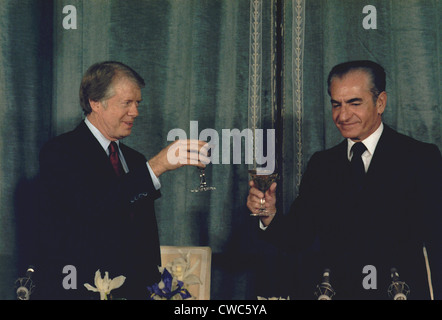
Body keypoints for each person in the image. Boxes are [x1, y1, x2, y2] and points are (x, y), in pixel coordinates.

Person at [247, 60, 442, 299]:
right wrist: (269, 215)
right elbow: (298, 238)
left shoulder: (420, 158)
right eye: (336, 104)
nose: (343, 115)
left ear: (380, 102)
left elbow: (436, 241)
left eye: (354, 103)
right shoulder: (322, 164)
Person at [33, 61, 208, 299]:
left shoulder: (135, 160)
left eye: (137, 103)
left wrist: (153, 288)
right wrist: (156, 166)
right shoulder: (61, 152)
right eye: (127, 103)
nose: (135, 112)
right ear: (95, 103)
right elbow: (92, 207)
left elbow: (144, 235)